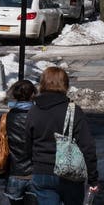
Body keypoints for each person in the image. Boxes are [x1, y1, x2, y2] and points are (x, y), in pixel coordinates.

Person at [25, 66, 98, 205]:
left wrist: (33, 164)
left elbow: (27, 143)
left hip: (42, 172)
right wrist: (93, 178)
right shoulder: (73, 111)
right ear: (65, 84)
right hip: (70, 173)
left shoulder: (33, 110)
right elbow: (88, 146)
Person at [2, 79, 37, 204]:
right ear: (33, 94)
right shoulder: (38, 116)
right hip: (35, 173)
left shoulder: (8, 117)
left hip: (14, 172)